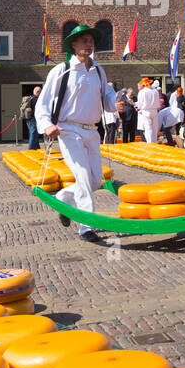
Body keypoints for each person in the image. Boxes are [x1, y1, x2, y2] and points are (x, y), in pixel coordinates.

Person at [35, 24, 119, 244]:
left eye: (91, 40)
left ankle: (63, 200)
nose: (88, 44)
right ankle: (86, 226)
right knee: (81, 175)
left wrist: (115, 103)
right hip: (68, 129)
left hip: (92, 131)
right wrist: (47, 125)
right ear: (73, 44)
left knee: (95, 179)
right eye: (84, 40)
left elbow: (107, 96)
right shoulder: (62, 70)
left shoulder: (98, 70)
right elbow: (42, 103)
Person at [136, 77, 160, 144]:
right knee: (155, 128)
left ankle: (150, 143)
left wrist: (139, 108)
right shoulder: (155, 91)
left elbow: (140, 104)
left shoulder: (142, 92)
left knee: (148, 128)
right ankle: (154, 142)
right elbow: (158, 102)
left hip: (146, 111)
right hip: (154, 110)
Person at [21, 87, 42, 151]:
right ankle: (31, 149)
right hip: (33, 119)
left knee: (33, 132)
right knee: (33, 132)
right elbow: (37, 110)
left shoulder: (31, 98)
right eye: (40, 91)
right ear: (37, 92)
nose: (41, 93)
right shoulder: (36, 99)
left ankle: (37, 147)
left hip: (29, 119)